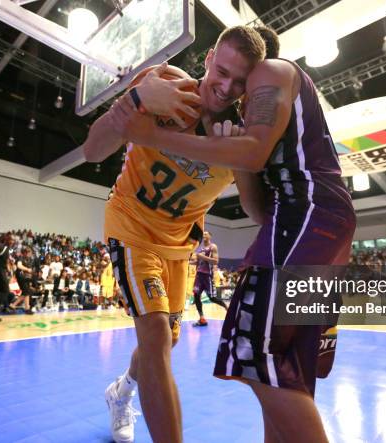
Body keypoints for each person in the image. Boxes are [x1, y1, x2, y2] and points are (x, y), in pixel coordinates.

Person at [111, 25, 355, 442]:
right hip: (323, 225)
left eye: (242, 79)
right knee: (285, 370)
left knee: (253, 350)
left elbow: (254, 151)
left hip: (306, 215)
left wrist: (153, 135)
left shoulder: (273, 72)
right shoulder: (270, 108)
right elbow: (259, 209)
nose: (232, 88)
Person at [82, 26, 266, 443]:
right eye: (222, 71)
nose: (226, 87)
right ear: (207, 60)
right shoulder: (163, 86)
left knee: (167, 339)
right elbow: (93, 152)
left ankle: (121, 391)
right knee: (156, 334)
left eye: (240, 81)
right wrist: (134, 100)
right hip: (130, 224)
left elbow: (256, 212)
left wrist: (243, 159)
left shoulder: (241, 134)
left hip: (179, 246)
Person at [192, 231, 227, 326]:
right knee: (196, 295)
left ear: (210, 236)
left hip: (207, 276)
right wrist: (186, 261)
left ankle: (226, 308)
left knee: (212, 298)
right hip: (199, 275)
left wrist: (202, 257)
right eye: (203, 234)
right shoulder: (200, 249)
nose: (204, 235)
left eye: (206, 234)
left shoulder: (213, 247)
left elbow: (215, 261)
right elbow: (197, 262)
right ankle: (202, 319)